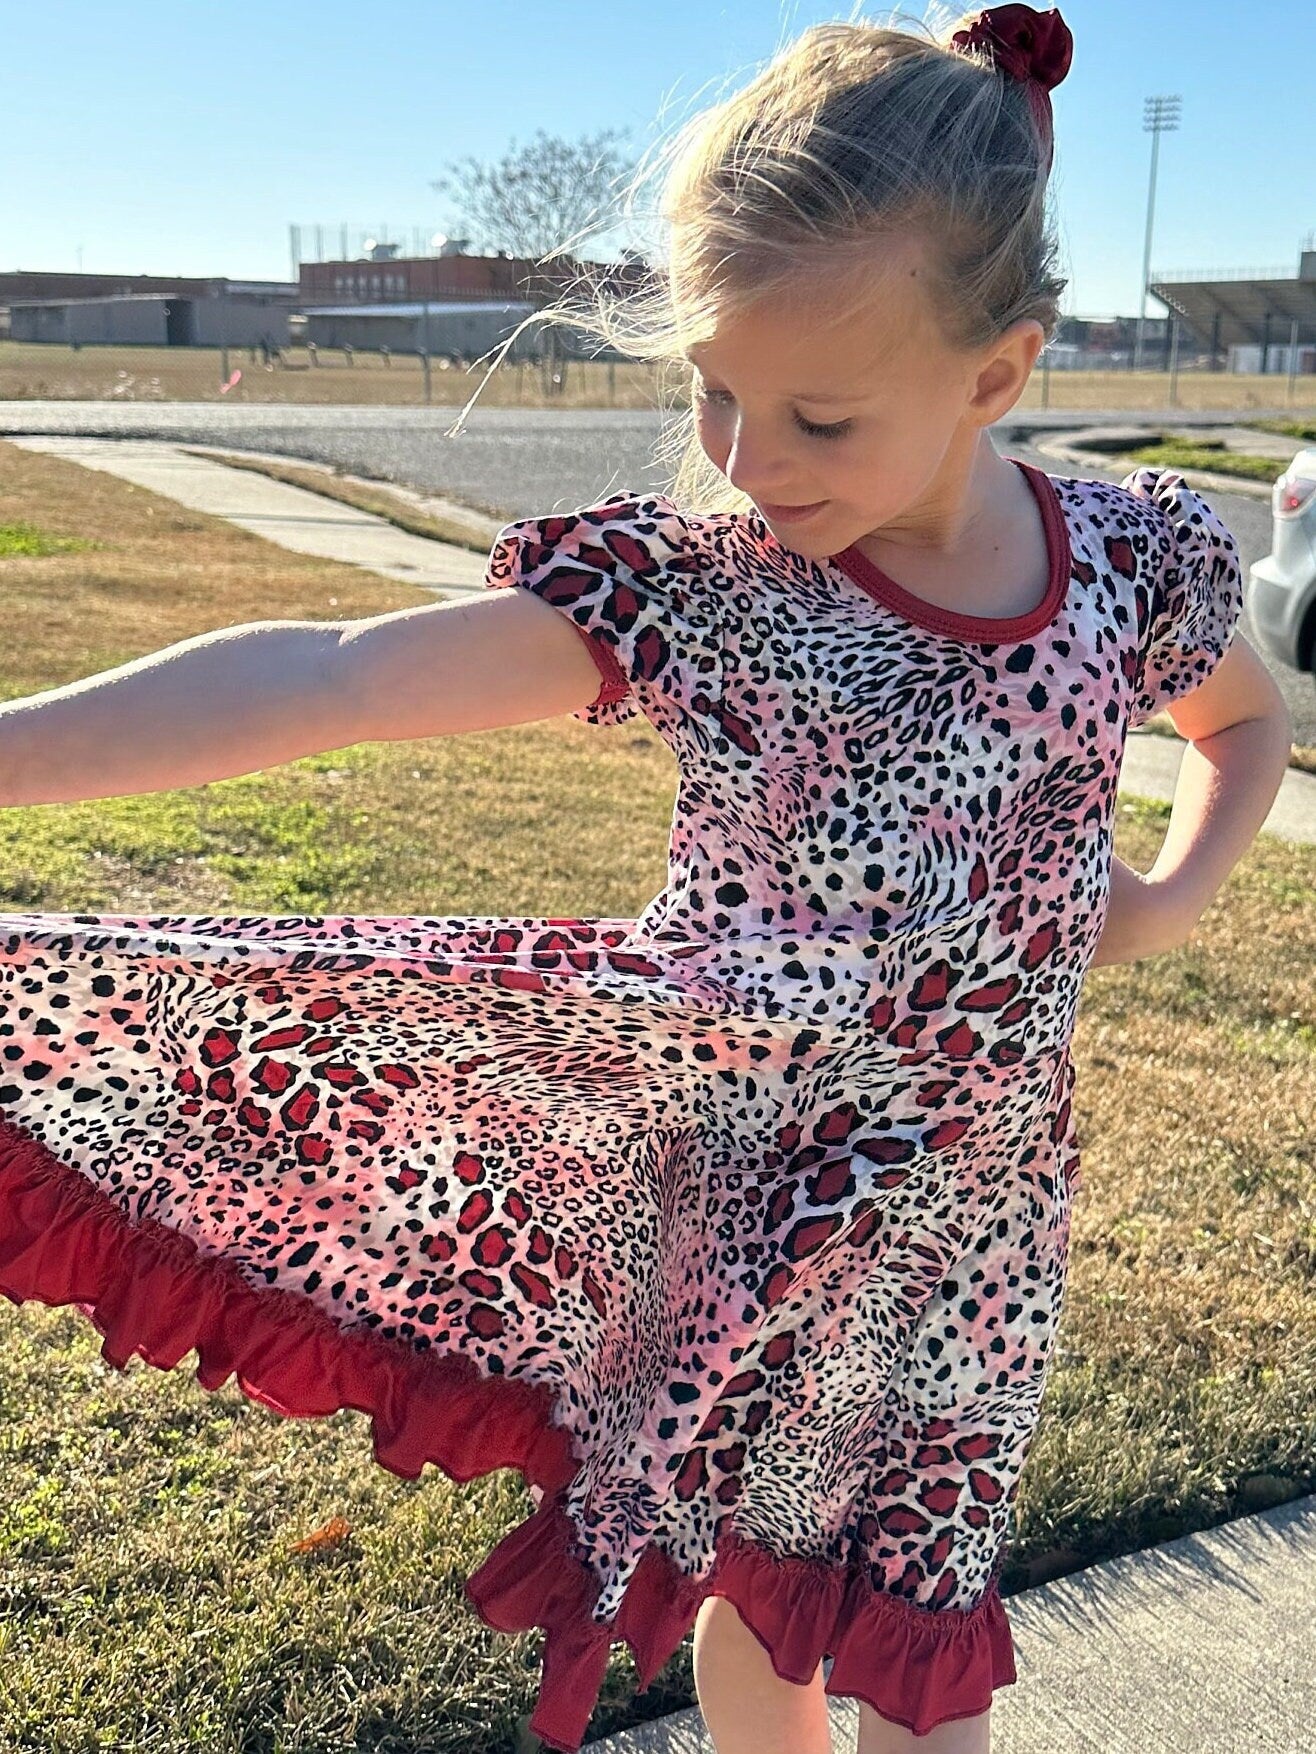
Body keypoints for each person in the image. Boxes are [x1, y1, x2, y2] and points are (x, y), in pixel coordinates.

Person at [0, 8, 1294, 1753]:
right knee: (760, 1611)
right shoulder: (706, 592)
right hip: (731, 1180)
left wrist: (1165, 893)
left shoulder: (1133, 561)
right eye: (715, 391)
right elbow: (338, 672)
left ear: (996, 373)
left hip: (979, 1217)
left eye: (817, 416)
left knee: (912, 1617)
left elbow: (1241, 720)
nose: (747, 461)